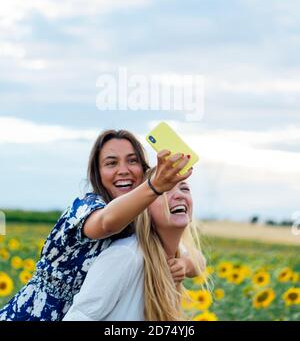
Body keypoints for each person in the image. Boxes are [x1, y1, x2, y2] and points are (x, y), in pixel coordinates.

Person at [0, 129, 194, 321]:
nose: (123, 170)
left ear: (143, 169)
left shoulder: (140, 221)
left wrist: (184, 264)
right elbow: (107, 222)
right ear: (98, 173)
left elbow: (194, 257)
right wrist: (155, 186)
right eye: (111, 163)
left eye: (132, 161)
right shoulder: (87, 207)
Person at [63, 169, 204, 321]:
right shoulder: (125, 255)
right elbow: (79, 317)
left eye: (185, 189)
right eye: (165, 190)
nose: (179, 195)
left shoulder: (173, 250)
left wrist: (185, 265)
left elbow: (200, 263)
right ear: (144, 208)